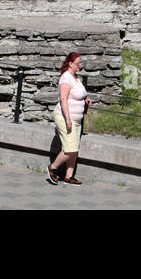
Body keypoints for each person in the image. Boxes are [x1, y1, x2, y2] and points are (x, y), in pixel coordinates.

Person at [47, 51, 91, 185]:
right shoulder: (66, 78)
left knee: (74, 148)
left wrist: (86, 100)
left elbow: (78, 95)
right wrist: (67, 120)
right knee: (69, 148)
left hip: (77, 119)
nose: (80, 66)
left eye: (80, 63)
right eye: (77, 63)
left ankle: (69, 176)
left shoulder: (75, 78)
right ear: (70, 64)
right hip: (65, 117)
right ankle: (52, 168)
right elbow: (64, 99)